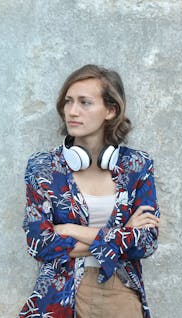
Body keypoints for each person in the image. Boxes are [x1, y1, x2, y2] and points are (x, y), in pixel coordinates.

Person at [18, 64, 160, 318]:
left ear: (110, 109)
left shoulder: (138, 165)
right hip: (58, 296)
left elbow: (146, 243)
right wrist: (122, 234)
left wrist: (71, 230)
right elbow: (39, 244)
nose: (72, 111)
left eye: (85, 103)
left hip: (119, 294)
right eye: (68, 102)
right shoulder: (44, 167)